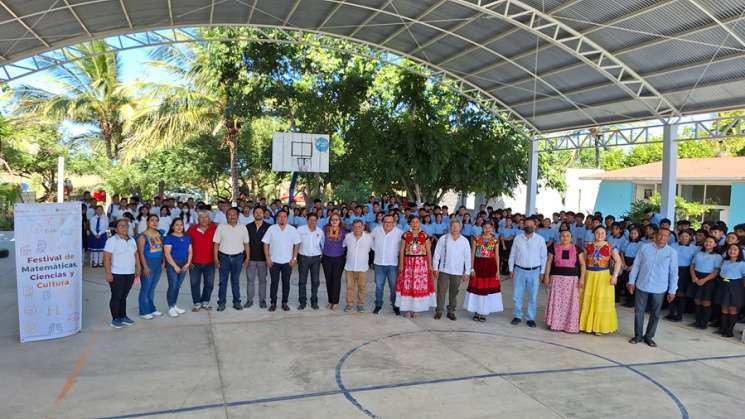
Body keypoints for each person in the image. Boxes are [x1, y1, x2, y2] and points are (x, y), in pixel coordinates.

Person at [627, 228, 678, 347]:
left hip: (659, 288)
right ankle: (638, 335)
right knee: (639, 312)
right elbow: (636, 265)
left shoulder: (671, 252)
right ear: (655, 236)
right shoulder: (645, 248)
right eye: (660, 235)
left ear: (668, 238)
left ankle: (649, 336)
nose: (662, 237)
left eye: (665, 236)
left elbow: (674, 273)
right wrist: (631, 282)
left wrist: (672, 290)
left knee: (655, 313)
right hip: (642, 285)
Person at [579, 226, 622, 335]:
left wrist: (615, 276)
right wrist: (582, 276)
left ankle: (598, 327)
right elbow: (582, 263)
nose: (600, 235)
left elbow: (618, 261)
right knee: (587, 299)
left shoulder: (610, 246)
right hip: (589, 275)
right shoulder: (587, 245)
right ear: (594, 233)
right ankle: (584, 325)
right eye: (597, 232)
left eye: (602, 233)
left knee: (600, 301)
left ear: (605, 234)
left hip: (603, 276)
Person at [543, 230, 586, 333]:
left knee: (571, 303)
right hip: (557, 279)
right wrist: (546, 276)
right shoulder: (553, 248)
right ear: (559, 237)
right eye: (563, 236)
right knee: (557, 302)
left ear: (571, 238)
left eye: (567, 236)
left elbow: (582, 265)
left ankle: (570, 326)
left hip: (572, 280)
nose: (565, 238)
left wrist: (582, 278)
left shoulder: (577, 249)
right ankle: (555, 324)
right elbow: (549, 263)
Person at [508, 218, 547, 327]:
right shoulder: (517, 238)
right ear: (523, 226)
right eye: (526, 224)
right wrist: (511, 269)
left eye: (531, 224)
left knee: (533, 296)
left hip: (534, 272)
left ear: (535, 226)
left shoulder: (540, 239)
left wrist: (542, 272)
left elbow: (543, 257)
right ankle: (517, 316)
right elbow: (513, 254)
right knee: (517, 295)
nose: (528, 226)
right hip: (519, 270)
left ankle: (530, 318)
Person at [103, 218, 140, 328]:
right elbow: (106, 258)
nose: (124, 228)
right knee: (116, 296)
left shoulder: (132, 240)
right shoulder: (112, 241)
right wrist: (108, 273)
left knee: (124, 296)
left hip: (130, 273)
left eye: (126, 226)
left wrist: (138, 268)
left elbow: (136, 255)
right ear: (116, 228)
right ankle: (115, 318)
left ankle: (123, 316)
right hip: (116, 273)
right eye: (121, 226)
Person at [396, 217, 435, 318]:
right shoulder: (405, 235)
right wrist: (401, 264)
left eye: (417, 222)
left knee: (418, 285)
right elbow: (401, 251)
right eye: (413, 222)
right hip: (408, 264)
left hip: (421, 264)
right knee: (408, 285)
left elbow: (428, 252)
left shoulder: (424, 235)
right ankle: (408, 309)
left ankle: (417, 309)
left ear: (420, 224)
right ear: (410, 224)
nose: (415, 224)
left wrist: (430, 265)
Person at [432, 220, 471, 320]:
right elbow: (436, 253)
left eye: (457, 226)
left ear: (460, 228)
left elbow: (467, 257)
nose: (455, 228)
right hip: (444, 270)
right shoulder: (443, 238)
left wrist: (467, 272)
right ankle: (439, 310)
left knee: (454, 292)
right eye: (453, 226)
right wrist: (435, 268)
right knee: (441, 292)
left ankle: (451, 311)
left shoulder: (464, 241)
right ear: (450, 227)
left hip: (457, 272)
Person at [464, 221, 504, 322]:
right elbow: (472, 253)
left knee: (486, 290)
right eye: (485, 227)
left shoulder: (495, 240)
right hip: (478, 265)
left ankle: (484, 312)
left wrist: (498, 271)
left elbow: (497, 255)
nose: (487, 229)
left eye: (489, 227)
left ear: (492, 228)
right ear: (482, 228)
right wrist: (472, 268)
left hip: (490, 266)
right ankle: (477, 311)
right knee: (477, 289)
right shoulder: (477, 238)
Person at [262, 210, 301, 312]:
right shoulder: (271, 229)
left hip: (287, 262)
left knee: (286, 283)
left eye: (284, 216)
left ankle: (284, 302)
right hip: (274, 261)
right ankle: (273, 303)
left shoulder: (292, 230)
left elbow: (297, 244)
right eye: (280, 216)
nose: (282, 218)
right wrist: (267, 257)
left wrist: (294, 258)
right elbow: (265, 244)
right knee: (274, 283)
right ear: (277, 218)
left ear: (287, 218)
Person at [213, 207, 250, 311]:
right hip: (224, 257)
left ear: (238, 216)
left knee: (235, 281)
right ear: (226, 216)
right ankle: (221, 303)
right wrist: (216, 258)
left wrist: (247, 258)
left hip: (238, 258)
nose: (232, 216)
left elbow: (246, 244)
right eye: (229, 214)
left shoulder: (243, 227)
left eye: (234, 214)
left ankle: (237, 302)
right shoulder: (221, 227)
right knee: (222, 282)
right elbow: (216, 244)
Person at [687, 236, 723, 329]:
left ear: (715, 244)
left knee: (705, 302)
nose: (708, 243)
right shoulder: (698, 253)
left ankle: (704, 324)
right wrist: (694, 276)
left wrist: (704, 280)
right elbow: (692, 266)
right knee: (697, 300)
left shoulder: (717, 256)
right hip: (696, 277)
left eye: (711, 242)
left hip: (709, 279)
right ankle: (697, 321)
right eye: (706, 241)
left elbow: (716, 271)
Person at [371, 214, 403, 315]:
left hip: (393, 264)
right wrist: (376, 249)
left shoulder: (399, 233)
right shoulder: (376, 230)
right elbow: (369, 240)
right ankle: (378, 304)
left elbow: (402, 247)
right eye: (385, 222)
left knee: (393, 287)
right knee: (379, 286)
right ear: (382, 222)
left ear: (394, 222)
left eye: (390, 222)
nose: (388, 224)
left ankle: (395, 305)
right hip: (379, 263)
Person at [665, 230, 698, 322]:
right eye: (682, 236)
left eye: (686, 236)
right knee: (671, 291)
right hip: (673, 270)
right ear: (678, 237)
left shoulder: (694, 248)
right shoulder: (672, 246)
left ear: (690, 237)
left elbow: (694, 262)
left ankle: (679, 315)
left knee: (681, 294)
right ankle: (671, 313)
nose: (684, 238)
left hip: (686, 272)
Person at [187, 210, 217, 311]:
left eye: (206, 217)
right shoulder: (192, 229)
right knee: (194, 283)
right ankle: (196, 303)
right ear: (198, 219)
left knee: (209, 283)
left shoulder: (214, 228)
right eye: (201, 217)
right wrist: (189, 261)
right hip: (194, 263)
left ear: (209, 219)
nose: (204, 219)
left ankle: (205, 301)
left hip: (210, 262)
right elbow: (187, 246)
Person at [714, 244, 745, 337]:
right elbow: (722, 273)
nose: (732, 251)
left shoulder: (742, 264)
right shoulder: (725, 261)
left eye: (735, 250)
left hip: (736, 286)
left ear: (739, 252)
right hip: (724, 285)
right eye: (730, 249)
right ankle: (723, 329)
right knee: (724, 307)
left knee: (732, 308)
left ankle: (729, 331)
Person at [163, 218, 193, 317]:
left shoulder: (187, 237)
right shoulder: (169, 238)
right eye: (177, 225)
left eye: (181, 225)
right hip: (172, 264)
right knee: (173, 285)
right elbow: (167, 254)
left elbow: (190, 251)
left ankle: (174, 305)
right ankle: (171, 307)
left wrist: (188, 263)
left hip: (184, 263)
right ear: (172, 227)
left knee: (178, 286)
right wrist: (175, 266)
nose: (179, 227)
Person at [137, 214, 164, 320]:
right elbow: (141, 253)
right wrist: (145, 267)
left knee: (152, 288)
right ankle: (144, 311)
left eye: (156, 220)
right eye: (152, 220)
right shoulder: (143, 236)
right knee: (145, 288)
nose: (154, 222)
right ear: (147, 222)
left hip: (158, 265)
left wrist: (163, 263)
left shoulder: (159, 234)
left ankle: (151, 308)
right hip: (148, 265)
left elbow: (161, 249)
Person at [343, 220, 373, 312]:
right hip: (349, 267)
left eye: (359, 226)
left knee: (362, 287)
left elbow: (375, 248)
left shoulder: (369, 237)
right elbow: (342, 245)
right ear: (352, 227)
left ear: (363, 227)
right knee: (349, 287)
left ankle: (360, 304)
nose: (357, 229)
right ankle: (349, 304)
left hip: (362, 267)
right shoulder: (348, 237)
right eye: (355, 227)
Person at [297, 213, 324, 310]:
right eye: (311, 219)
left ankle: (314, 301)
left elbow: (323, 245)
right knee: (302, 281)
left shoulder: (320, 231)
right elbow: (296, 243)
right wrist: (295, 257)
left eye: (314, 220)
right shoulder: (300, 230)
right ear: (307, 220)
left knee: (315, 281)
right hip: (303, 258)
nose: (313, 222)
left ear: (317, 221)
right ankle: (302, 302)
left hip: (316, 259)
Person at [245, 206, 270, 309]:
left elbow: (270, 244)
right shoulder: (248, 227)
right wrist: (246, 257)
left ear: (264, 214)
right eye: (256, 212)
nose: (258, 214)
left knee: (262, 280)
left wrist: (269, 257)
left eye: (260, 212)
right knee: (250, 280)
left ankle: (262, 300)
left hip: (263, 259)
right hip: (251, 259)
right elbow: (245, 243)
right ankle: (249, 300)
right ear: (253, 214)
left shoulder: (269, 227)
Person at [322, 213, 346, 311]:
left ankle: (335, 302)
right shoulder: (324, 230)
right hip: (327, 258)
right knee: (329, 280)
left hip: (339, 258)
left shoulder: (344, 232)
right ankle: (330, 300)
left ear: (340, 221)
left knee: (336, 280)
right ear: (329, 221)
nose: (334, 221)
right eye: (332, 219)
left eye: (337, 219)